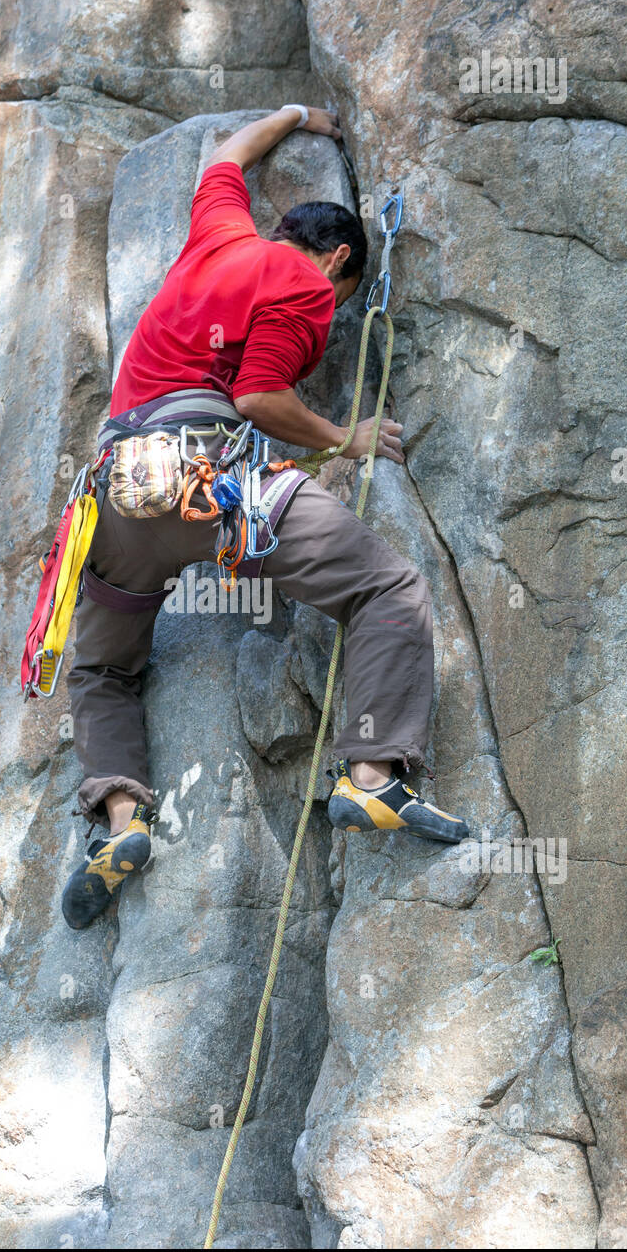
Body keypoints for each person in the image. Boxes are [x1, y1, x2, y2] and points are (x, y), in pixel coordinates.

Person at [62, 106, 469, 929]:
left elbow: (225, 154)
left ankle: (122, 823)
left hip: (113, 493)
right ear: (339, 258)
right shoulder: (303, 283)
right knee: (386, 587)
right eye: (343, 293)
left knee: (102, 670)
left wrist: (296, 116)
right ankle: (374, 780)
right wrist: (342, 439)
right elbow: (257, 395)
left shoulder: (217, 233)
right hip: (208, 483)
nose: (334, 309)